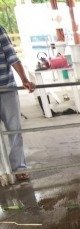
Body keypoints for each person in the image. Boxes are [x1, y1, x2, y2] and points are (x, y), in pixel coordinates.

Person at [0, 25, 35, 182]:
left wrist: (24, 79)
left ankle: (19, 167)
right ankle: (2, 172)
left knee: (14, 129)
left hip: (6, 88)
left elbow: (12, 56)